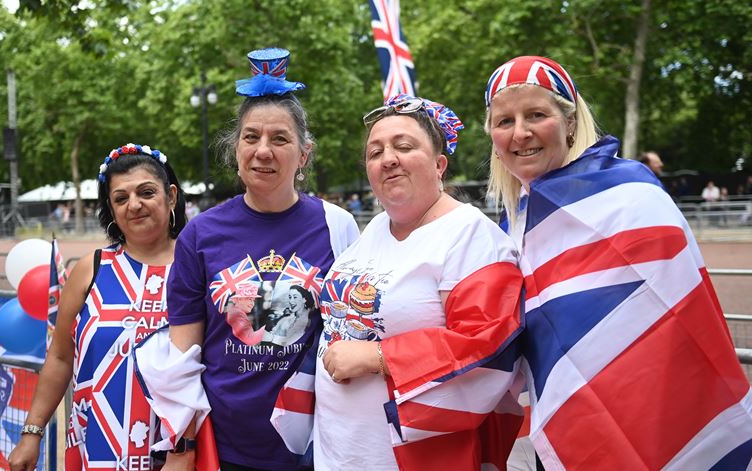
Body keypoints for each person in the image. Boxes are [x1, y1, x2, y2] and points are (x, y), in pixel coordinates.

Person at [484, 55, 752, 469]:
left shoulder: (631, 192)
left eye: (536, 114)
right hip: (563, 420)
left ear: (570, 122)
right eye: (505, 122)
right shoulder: (508, 227)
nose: (521, 133)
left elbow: (684, 309)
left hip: (660, 412)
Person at [135, 48, 359, 470]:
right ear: (235, 150)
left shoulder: (338, 225)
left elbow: (354, 333)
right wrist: (182, 447)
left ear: (303, 154)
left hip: (317, 443)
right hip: (225, 446)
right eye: (251, 137)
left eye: (280, 139)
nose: (263, 151)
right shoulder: (200, 235)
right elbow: (183, 357)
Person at [314, 93, 525, 470]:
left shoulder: (471, 235)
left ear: (440, 164)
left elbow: (489, 344)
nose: (387, 158)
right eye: (374, 152)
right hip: (340, 453)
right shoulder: (375, 228)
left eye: (403, 146)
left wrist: (378, 357)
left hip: (416, 456)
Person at [7, 143, 187, 470]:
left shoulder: (196, 267)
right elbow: (60, 356)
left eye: (146, 192)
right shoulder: (91, 268)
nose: (134, 205)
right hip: (97, 446)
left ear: (171, 196)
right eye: (121, 198)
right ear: (111, 208)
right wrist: (31, 433)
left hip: (177, 452)